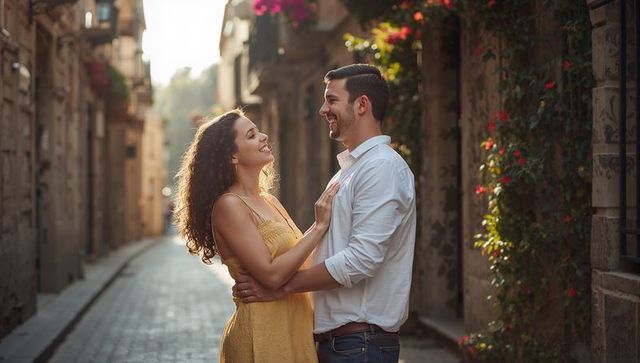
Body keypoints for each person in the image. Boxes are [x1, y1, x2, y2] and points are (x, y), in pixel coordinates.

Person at [234, 64, 417, 363]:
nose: (323, 109)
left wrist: (280, 287)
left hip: (361, 346)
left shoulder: (382, 167)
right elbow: (324, 251)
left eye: (331, 100)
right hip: (343, 345)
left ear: (362, 105)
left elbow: (361, 260)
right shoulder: (349, 171)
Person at [173, 109, 339, 363]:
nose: (263, 137)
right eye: (251, 135)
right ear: (232, 156)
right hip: (263, 333)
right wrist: (318, 228)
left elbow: (301, 260)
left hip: (296, 328)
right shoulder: (229, 205)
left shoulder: (270, 201)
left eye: (258, 131)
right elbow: (272, 275)